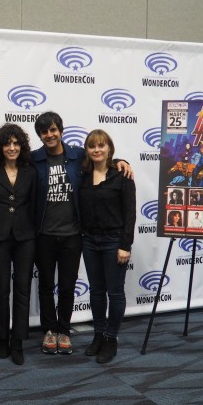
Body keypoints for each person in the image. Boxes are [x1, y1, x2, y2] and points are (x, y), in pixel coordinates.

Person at [32, 112, 131, 355]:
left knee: (67, 286)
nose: (49, 135)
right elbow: (9, 161)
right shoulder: (34, 159)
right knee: (45, 286)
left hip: (74, 235)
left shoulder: (77, 157)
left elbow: (102, 159)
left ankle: (64, 331)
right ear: (40, 135)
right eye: (44, 132)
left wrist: (122, 161)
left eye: (53, 129)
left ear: (61, 130)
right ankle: (49, 331)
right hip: (43, 234)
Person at [79, 129, 136, 364]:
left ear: (109, 148)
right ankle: (98, 335)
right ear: (87, 150)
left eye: (101, 146)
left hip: (114, 242)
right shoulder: (82, 175)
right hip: (89, 241)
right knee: (96, 291)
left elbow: (130, 213)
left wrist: (125, 245)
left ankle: (111, 338)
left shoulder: (122, 175)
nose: (97, 150)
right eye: (92, 146)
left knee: (115, 292)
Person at [0, 123, 37, 365]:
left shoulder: (31, 171)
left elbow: (35, 204)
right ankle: (2, 338)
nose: (12, 147)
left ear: (22, 146)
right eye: (7, 143)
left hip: (26, 237)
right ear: (0, 146)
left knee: (23, 289)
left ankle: (18, 341)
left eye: (16, 143)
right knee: (1, 290)